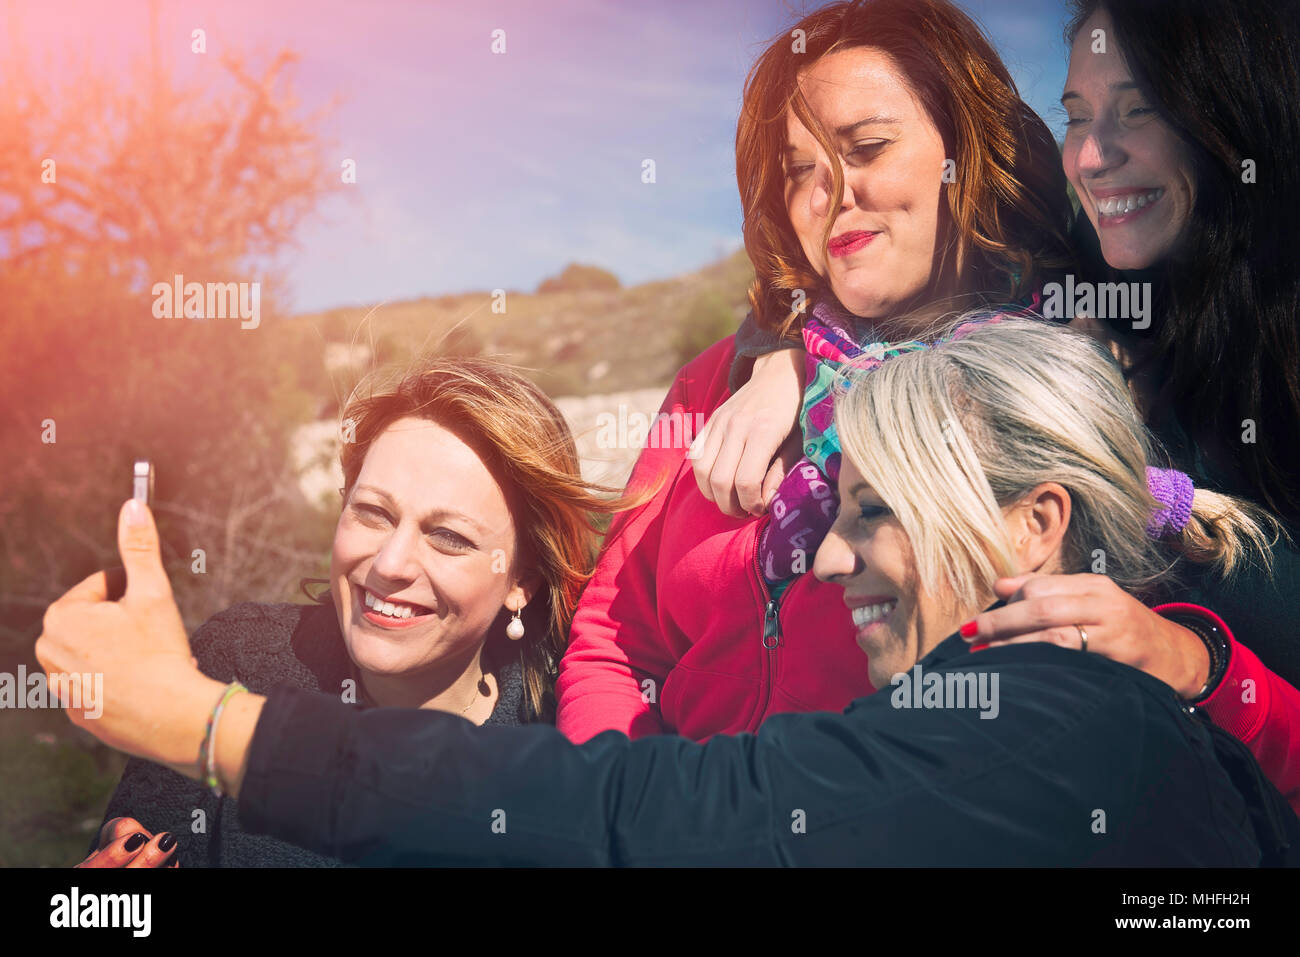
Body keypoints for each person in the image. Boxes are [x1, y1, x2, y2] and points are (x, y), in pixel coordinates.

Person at [36, 319, 1300, 865]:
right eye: (368, 510)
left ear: (1036, 525)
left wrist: (201, 724)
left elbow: (654, 816)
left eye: (873, 512)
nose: (831, 557)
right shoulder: (1091, 722)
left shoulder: (1039, 728)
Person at [699, 0, 1300, 798]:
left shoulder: (1070, 342)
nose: (1090, 156)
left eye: (1138, 110)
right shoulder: (1091, 270)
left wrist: (1190, 648)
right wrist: (776, 350)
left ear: (1233, 110)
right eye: (1077, 116)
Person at [555, 0, 1076, 745]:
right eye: (800, 170)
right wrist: (613, 803)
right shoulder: (716, 380)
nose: (831, 197)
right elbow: (614, 638)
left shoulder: (1041, 389)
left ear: (968, 149)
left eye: (866, 147)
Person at [77, 356, 640, 867]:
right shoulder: (237, 661)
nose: (389, 564)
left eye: (447, 536)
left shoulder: (569, 734)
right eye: (372, 512)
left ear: (521, 582)